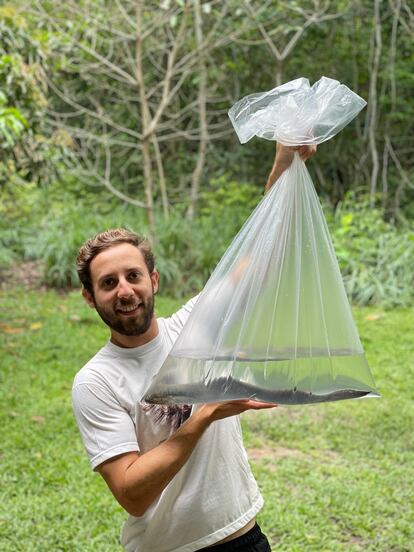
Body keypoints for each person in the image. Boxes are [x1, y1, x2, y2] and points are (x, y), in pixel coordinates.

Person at [72, 143, 316, 552]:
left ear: (154, 281)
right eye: (108, 283)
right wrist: (203, 417)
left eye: (133, 275)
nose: (124, 290)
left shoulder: (193, 327)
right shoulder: (95, 382)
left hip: (243, 538)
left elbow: (259, 252)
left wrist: (285, 163)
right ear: (90, 298)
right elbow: (132, 493)